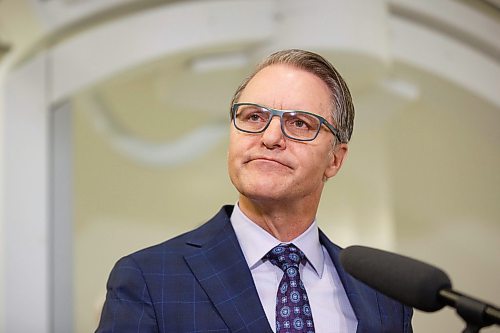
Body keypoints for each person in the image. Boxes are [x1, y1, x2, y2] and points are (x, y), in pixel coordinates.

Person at [95, 49, 413, 333]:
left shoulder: (384, 298)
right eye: (254, 117)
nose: (270, 137)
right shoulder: (150, 280)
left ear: (334, 159)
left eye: (300, 123)